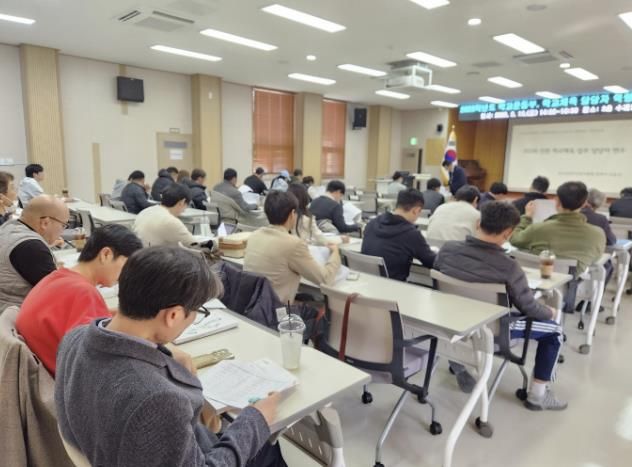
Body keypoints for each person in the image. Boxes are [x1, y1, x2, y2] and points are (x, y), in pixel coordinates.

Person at [55, 246, 286, 467]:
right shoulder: (157, 400)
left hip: (113, 449)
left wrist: (164, 351)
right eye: (197, 311)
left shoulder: (74, 338)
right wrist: (256, 420)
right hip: (189, 451)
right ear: (173, 315)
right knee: (267, 449)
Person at [435, 201, 567, 410]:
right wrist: (550, 311)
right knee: (555, 331)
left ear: (478, 223)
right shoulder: (509, 267)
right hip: (493, 330)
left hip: (453, 322)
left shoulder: (447, 250)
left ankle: (458, 364)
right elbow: (529, 308)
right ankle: (538, 396)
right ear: (508, 233)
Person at [16, 224, 142, 375]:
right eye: (127, 266)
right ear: (106, 254)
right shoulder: (83, 293)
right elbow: (100, 356)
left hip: (43, 369)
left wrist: (121, 315)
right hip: (63, 378)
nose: (127, 274)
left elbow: (71, 317)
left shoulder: (58, 277)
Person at [244, 191, 341, 304]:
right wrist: (335, 252)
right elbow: (325, 279)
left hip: (253, 304)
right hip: (276, 309)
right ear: (292, 214)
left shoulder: (254, 235)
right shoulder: (293, 244)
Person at [510, 181, 605, 274]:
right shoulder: (597, 235)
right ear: (584, 203)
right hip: (570, 283)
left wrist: (527, 217)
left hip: (537, 279)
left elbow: (514, 239)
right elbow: (594, 259)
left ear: (557, 201)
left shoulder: (538, 228)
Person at [0, 195, 69, 310]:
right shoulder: (31, 247)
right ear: (45, 223)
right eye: (64, 225)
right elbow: (60, 295)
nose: (62, 231)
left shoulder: (9, 228)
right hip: (17, 315)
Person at [362, 188, 436, 281]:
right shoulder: (411, 234)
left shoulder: (372, 223)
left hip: (366, 283)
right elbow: (432, 262)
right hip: (394, 287)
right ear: (416, 210)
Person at [134, 183, 213, 249]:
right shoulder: (170, 221)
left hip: (141, 258)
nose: (184, 210)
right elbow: (196, 246)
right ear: (182, 202)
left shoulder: (144, 212)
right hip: (159, 261)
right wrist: (216, 243)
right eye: (186, 205)